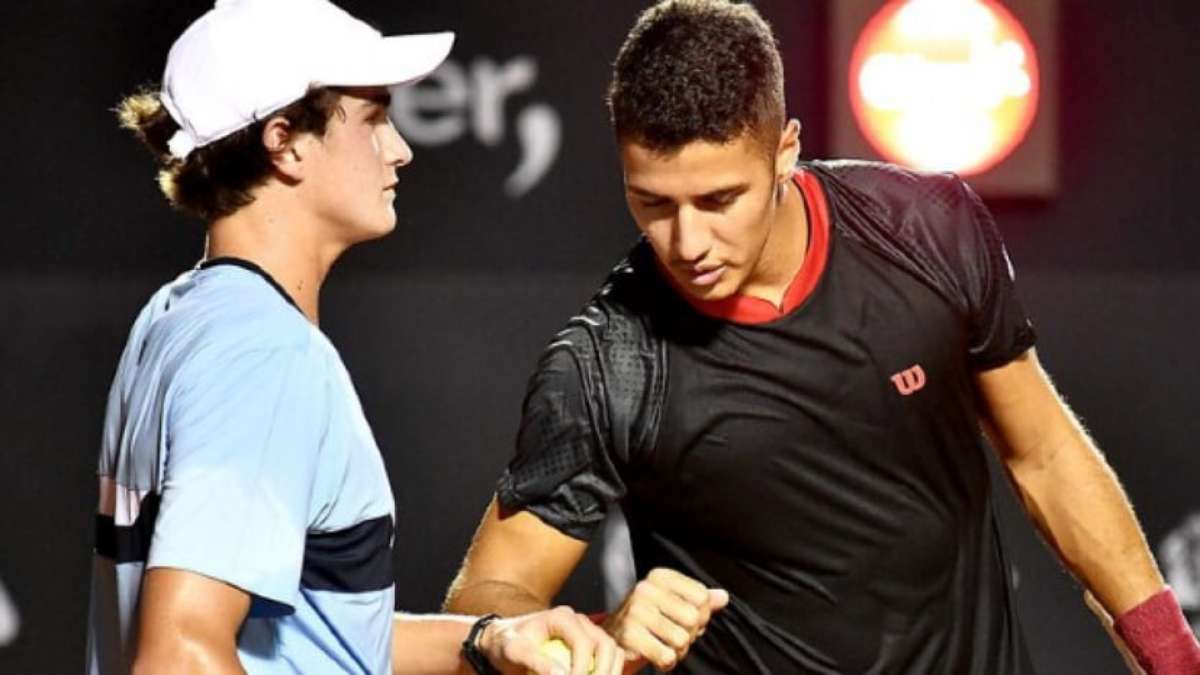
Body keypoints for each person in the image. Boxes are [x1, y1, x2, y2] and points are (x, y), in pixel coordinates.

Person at [443, 1, 1200, 673]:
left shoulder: (927, 231)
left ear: (786, 149)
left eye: (719, 198)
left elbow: (1043, 452)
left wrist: (1170, 653)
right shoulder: (607, 363)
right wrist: (598, 629)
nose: (687, 240)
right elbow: (482, 598)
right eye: (653, 203)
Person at [85, 1, 624, 674]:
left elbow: (306, 637)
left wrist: (484, 638)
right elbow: (180, 656)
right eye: (373, 118)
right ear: (285, 141)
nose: (399, 148)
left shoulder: (180, 316)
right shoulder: (262, 354)